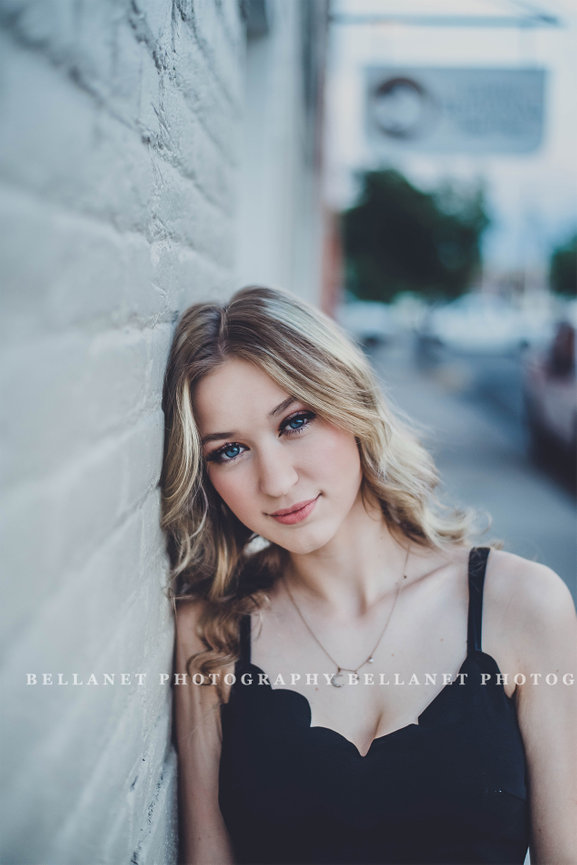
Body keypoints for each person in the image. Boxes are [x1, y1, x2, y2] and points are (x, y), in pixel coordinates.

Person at [161, 285, 576, 865]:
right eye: (229, 451)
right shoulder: (211, 634)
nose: (277, 481)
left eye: (295, 421)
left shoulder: (523, 606)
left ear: (352, 404)